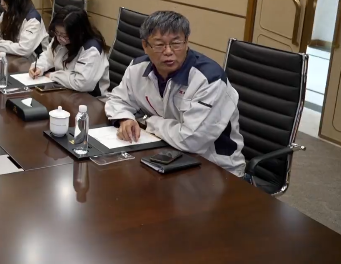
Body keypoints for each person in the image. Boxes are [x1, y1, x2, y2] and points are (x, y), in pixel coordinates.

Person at [104, 11, 245, 176]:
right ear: (145, 46)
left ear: (186, 42)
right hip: (165, 154)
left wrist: (146, 121)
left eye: (176, 43)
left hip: (215, 168)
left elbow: (191, 140)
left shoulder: (209, 79)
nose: (168, 51)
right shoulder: (137, 68)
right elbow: (117, 100)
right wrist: (125, 118)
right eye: (159, 45)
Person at [29, 5, 109, 96]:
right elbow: (48, 56)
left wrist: (54, 76)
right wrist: (39, 67)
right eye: (57, 33)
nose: (59, 38)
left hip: (89, 98)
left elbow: (81, 83)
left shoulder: (91, 49)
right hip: (65, 89)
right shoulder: (59, 39)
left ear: (78, 33)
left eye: (65, 35)